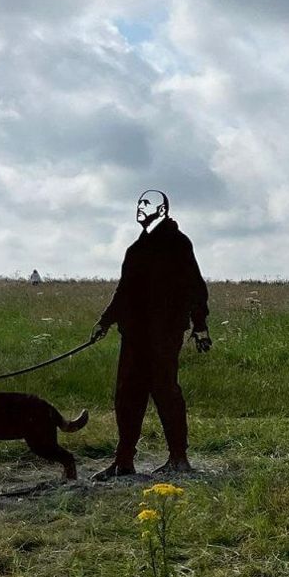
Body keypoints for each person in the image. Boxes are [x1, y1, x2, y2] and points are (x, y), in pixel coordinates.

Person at [92, 190, 210, 479]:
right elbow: (124, 291)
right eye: (138, 203)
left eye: (146, 204)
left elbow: (194, 284)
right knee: (127, 395)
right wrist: (104, 321)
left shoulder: (178, 244)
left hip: (164, 333)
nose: (140, 208)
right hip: (133, 333)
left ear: (162, 209)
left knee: (165, 391)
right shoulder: (135, 250)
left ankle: (178, 458)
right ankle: (124, 460)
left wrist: (200, 325)